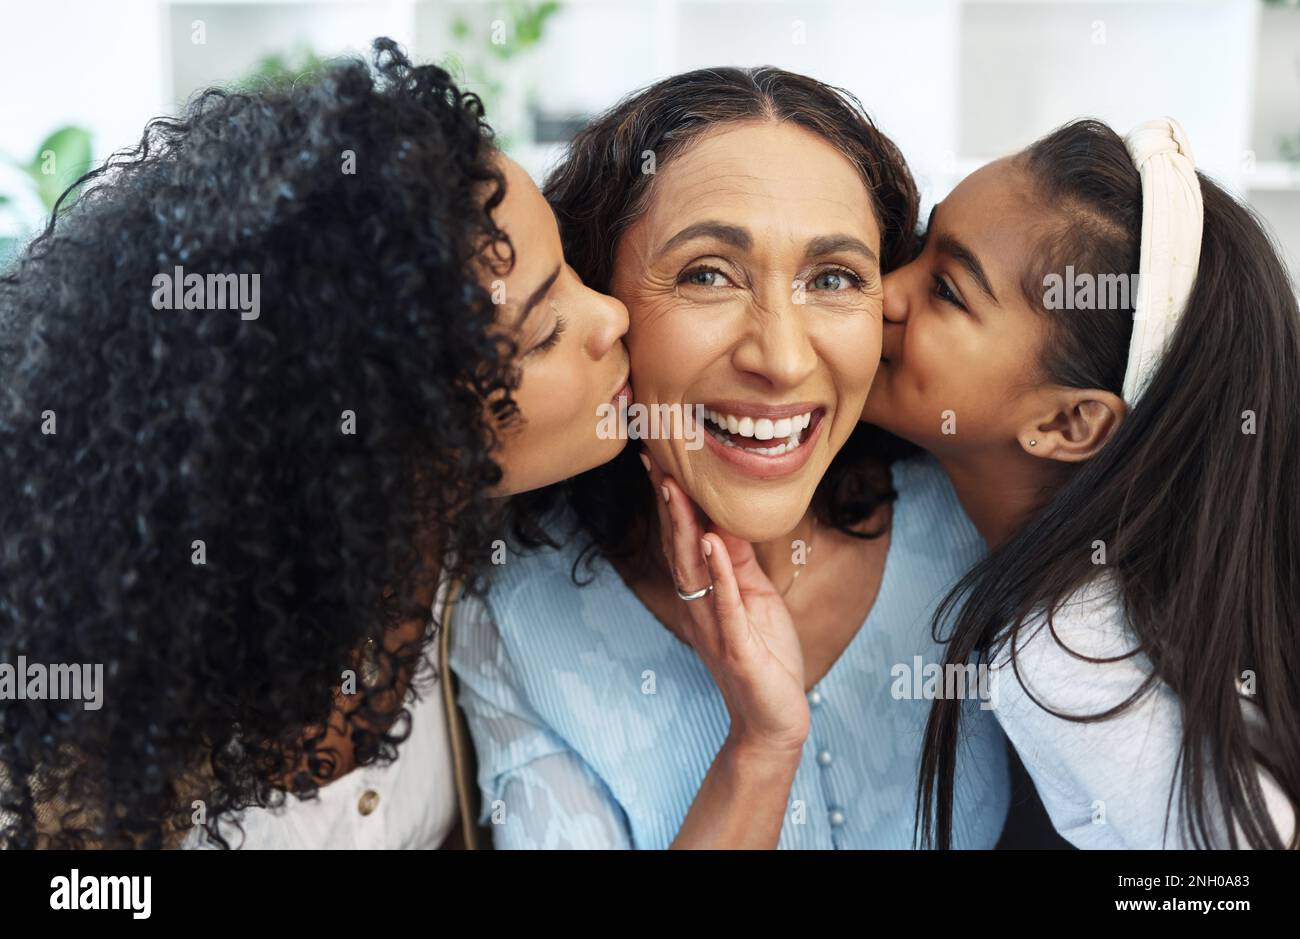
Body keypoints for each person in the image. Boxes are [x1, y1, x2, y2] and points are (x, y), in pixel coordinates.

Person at [0, 38, 631, 849]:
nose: (609, 316)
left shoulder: (497, 562)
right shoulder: (96, 688)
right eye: (544, 330)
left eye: (572, 272)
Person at [450, 66, 1011, 849]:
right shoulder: (512, 620)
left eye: (834, 277)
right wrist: (760, 746)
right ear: (601, 300)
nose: (781, 359)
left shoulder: (975, 529)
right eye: (708, 274)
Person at [860, 117, 1299, 849]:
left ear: (1069, 425)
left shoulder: (1065, 648)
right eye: (922, 244)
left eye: (946, 288)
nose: (881, 290)